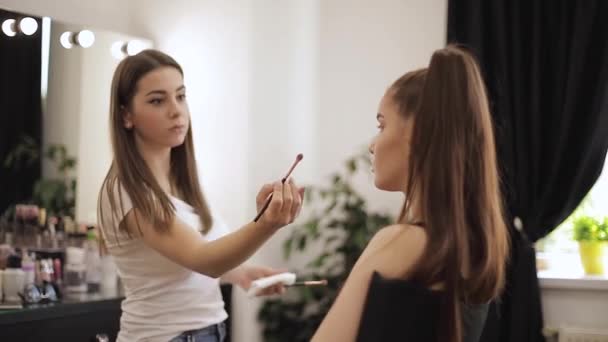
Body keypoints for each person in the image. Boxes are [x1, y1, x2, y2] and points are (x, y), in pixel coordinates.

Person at [97, 49, 303, 342]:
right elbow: (205, 260)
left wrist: (242, 274)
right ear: (126, 115)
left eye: (181, 96)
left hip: (210, 331)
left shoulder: (181, 183)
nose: (176, 110)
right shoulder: (125, 190)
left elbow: (191, 268)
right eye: (158, 100)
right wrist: (267, 223)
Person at [312, 45, 509, 342]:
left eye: (382, 125)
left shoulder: (403, 242)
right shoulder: (477, 243)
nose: (372, 144)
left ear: (417, 134)